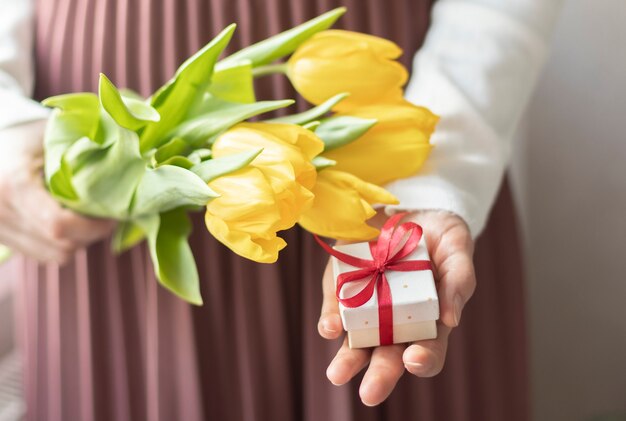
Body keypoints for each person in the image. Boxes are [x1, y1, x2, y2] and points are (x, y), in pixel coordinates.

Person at [0, 0, 562, 420]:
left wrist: (438, 181)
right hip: (85, 189)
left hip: (395, 170)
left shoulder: (421, 188)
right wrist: (6, 126)